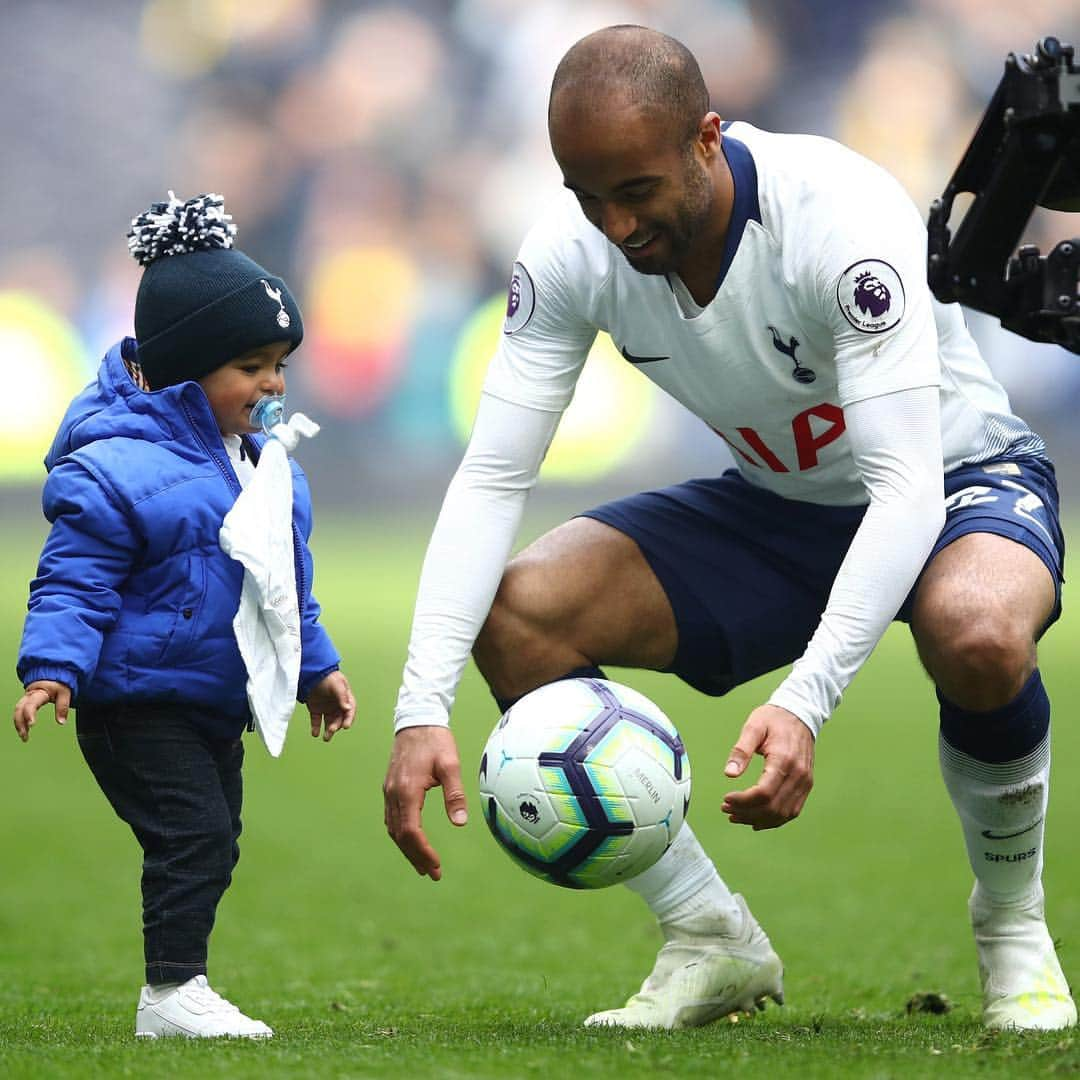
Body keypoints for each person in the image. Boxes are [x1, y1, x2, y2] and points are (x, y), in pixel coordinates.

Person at [383, 24, 1076, 1031]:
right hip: (777, 501)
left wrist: (805, 701)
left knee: (976, 630)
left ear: (708, 138)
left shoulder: (837, 214)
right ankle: (710, 935)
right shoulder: (571, 254)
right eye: (587, 194)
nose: (614, 226)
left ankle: (1012, 927)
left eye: (636, 191)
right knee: (520, 614)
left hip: (953, 481)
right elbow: (492, 476)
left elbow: (905, 490)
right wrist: (419, 707)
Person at [13, 193, 356, 1039]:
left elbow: (285, 586)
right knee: (194, 836)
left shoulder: (265, 466)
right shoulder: (115, 468)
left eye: (281, 363)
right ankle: (171, 995)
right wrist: (53, 667)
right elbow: (74, 581)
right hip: (135, 700)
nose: (273, 384)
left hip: (209, 697)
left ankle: (177, 989)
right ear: (181, 369)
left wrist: (318, 667)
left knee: (214, 838)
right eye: (250, 365)